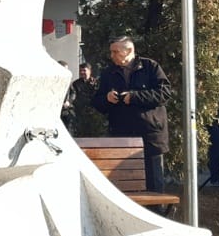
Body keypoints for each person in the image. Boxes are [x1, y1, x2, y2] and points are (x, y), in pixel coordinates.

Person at [92, 37, 173, 191]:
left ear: (129, 51)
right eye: (111, 51)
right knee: (123, 184)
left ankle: (156, 212)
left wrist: (135, 97)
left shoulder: (150, 67)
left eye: (116, 51)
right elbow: (97, 102)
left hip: (150, 137)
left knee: (154, 183)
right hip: (122, 136)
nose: (112, 55)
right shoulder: (109, 73)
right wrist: (107, 99)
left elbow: (164, 93)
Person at [67, 62, 105, 138]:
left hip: (95, 114)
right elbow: (73, 96)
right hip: (80, 114)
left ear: (90, 71)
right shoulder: (75, 84)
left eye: (84, 70)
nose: (82, 72)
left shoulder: (96, 83)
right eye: (80, 70)